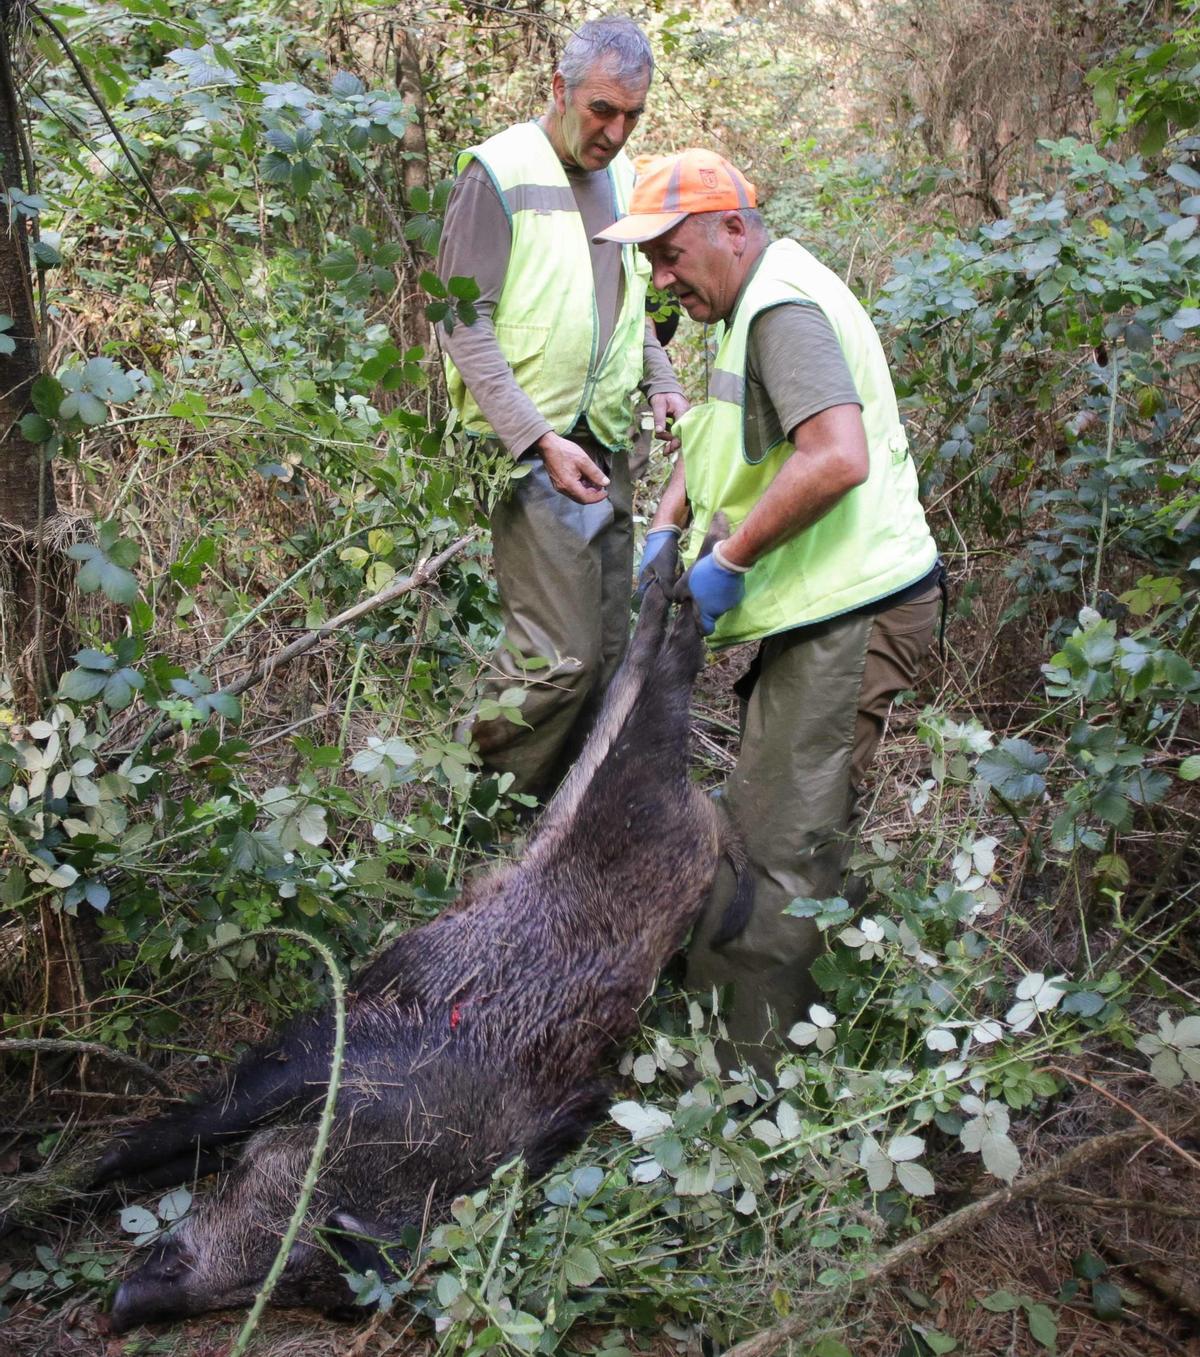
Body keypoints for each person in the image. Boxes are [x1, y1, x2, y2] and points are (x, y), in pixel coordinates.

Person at [596, 148, 942, 1073]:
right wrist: (669, 523)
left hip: (851, 612)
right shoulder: (746, 304)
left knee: (779, 853)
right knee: (776, 818)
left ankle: (748, 1094)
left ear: (734, 229)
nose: (663, 279)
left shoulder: (781, 308)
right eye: (650, 264)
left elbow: (835, 456)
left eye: (672, 255)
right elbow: (723, 437)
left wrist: (730, 559)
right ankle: (762, 1020)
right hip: (818, 616)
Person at [437, 17, 688, 797]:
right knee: (560, 663)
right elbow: (458, 319)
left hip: (608, 443)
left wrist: (662, 379)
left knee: (610, 658)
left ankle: (559, 818)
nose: (615, 132)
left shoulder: (623, 182)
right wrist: (537, 436)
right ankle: (468, 797)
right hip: (532, 448)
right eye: (602, 110)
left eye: (631, 117)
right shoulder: (500, 172)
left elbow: (630, 306)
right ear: (560, 90)